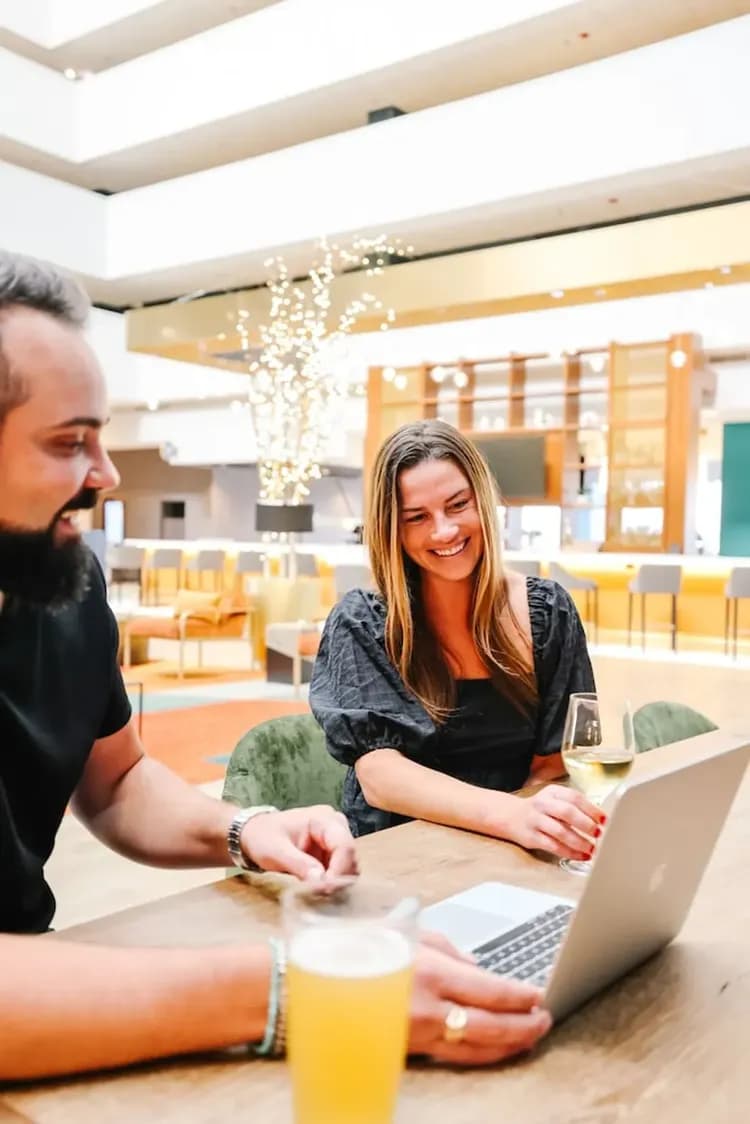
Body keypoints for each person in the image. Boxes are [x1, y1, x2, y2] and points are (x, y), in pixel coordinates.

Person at [0, 253, 551, 1078]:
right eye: (68, 443)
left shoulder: (66, 595)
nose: (106, 476)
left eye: (101, 439)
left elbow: (114, 782)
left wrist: (246, 829)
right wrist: (293, 984)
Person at [311, 420, 605, 860]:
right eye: (417, 518)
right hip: (394, 857)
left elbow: (558, 761)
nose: (444, 531)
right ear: (392, 529)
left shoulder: (549, 611)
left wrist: (519, 833)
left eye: (457, 505)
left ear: (482, 501)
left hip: (512, 851)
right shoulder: (362, 621)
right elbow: (380, 775)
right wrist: (511, 818)